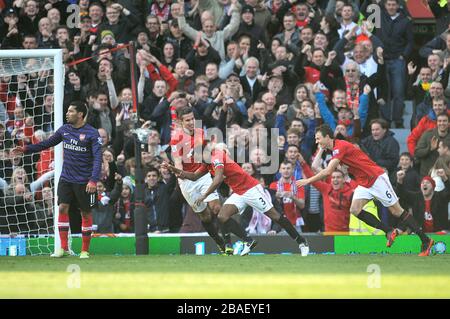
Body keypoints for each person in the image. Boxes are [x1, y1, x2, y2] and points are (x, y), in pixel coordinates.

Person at [296, 124, 435, 256]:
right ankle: (388, 231)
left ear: (327, 137)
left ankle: (426, 241)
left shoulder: (340, 146)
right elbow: (316, 166)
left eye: (318, 138)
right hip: (364, 183)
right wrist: (321, 148)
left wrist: (307, 181)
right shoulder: (335, 151)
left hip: (376, 178)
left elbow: (328, 171)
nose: (316, 140)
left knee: (396, 211)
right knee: (355, 210)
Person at [164, 142, 310, 257]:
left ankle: (302, 242)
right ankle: (248, 241)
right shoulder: (207, 162)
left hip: (251, 189)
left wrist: (203, 196)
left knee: (275, 216)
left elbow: (218, 178)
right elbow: (194, 176)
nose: (195, 159)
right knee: (222, 216)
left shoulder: (217, 156)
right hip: (239, 192)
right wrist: (174, 169)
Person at [11, 101, 102, 259]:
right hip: (66, 178)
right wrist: (25, 149)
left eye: (71, 111)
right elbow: (46, 144)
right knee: (61, 208)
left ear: (80, 114)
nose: (67, 114)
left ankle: (85, 250)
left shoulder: (92, 133)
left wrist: (93, 180)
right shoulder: (65, 130)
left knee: (86, 213)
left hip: (84, 181)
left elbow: (98, 158)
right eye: (67, 111)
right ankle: (63, 248)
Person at [169, 106, 248, 255]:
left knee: (217, 209)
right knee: (204, 216)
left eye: (192, 119)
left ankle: (229, 244)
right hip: (187, 181)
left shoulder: (199, 132)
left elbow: (205, 149)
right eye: (187, 120)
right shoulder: (176, 139)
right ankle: (219, 243)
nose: (192, 122)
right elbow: (178, 161)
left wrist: (217, 147)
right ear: (180, 122)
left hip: (203, 175)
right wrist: (180, 174)